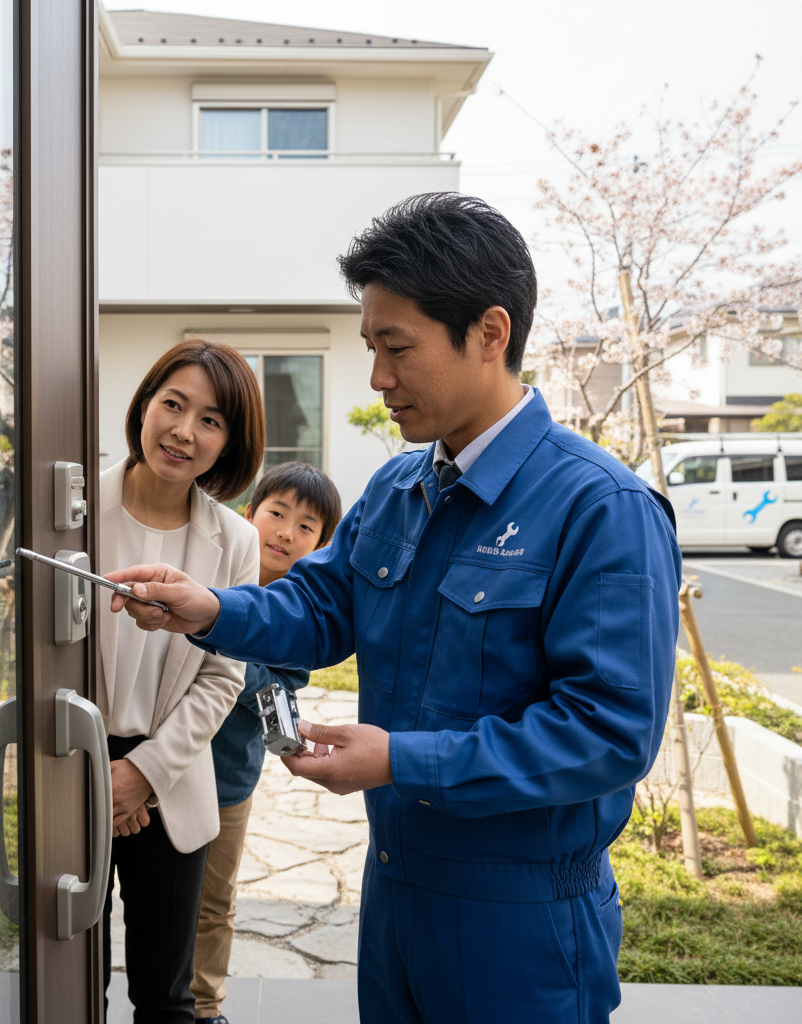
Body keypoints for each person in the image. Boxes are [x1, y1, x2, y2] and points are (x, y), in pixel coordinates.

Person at [109, 193, 682, 1024]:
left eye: (397, 348)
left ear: (490, 334)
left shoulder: (602, 508)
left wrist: (401, 760)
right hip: (395, 894)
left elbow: (609, 733)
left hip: (519, 922)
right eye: (371, 346)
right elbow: (320, 605)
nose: (378, 378)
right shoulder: (401, 486)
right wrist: (208, 607)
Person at [98, 339, 264, 1021]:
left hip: (167, 778)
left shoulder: (236, 539)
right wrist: (99, 767)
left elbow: (224, 677)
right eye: (174, 404)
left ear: (229, 444)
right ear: (144, 405)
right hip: (69, 757)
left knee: (167, 996)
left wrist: (142, 772)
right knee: (63, 973)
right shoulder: (74, 506)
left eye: (211, 420)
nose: (183, 431)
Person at [192, 462, 342, 1024]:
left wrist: (223, 640)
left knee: (212, 902)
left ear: (322, 546)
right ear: (247, 514)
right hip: (158, 760)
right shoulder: (212, 570)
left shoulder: (300, 614)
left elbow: (278, 696)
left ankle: (204, 1007)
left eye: (306, 527)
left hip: (227, 777)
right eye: (276, 513)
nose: (285, 532)